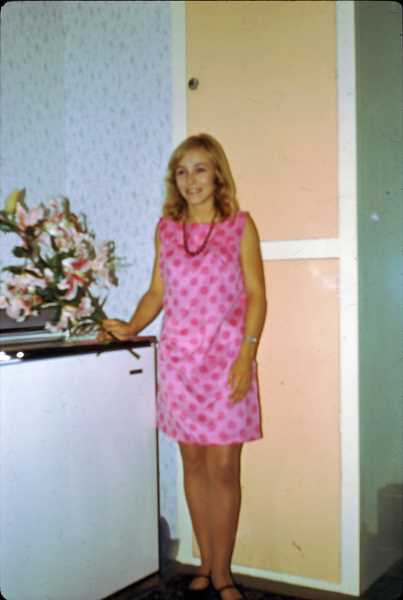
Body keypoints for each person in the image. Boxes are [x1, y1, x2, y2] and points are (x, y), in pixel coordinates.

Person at [99, 133, 267, 600]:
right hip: (179, 363)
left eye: (199, 169)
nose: (190, 180)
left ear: (217, 175)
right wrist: (131, 326)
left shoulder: (239, 226)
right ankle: (206, 563)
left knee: (224, 468)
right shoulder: (166, 230)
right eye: (181, 171)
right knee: (193, 464)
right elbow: (157, 292)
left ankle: (223, 572)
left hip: (228, 361)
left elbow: (257, 295)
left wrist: (247, 355)